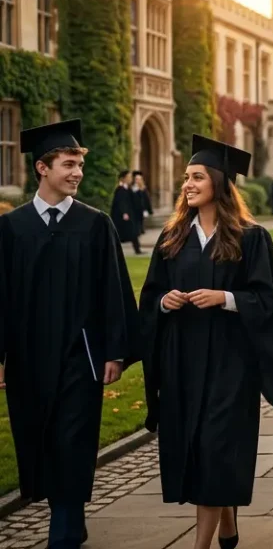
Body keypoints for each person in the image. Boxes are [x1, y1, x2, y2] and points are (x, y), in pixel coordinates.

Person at [138, 135, 273, 549]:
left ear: (218, 183)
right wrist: (164, 300)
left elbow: (268, 301)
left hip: (231, 365)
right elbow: (150, 296)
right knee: (199, 450)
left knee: (215, 446)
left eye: (196, 177)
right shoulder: (172, 237)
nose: (187, 185)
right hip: (183, 362)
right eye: (185, 178)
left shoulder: (250, 238)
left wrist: (225, 298)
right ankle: (227, 523)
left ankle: (201, 546)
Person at [0, 119, 137, 549]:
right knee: (37, 433)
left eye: (78, 164)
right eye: (68, 164)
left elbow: (114, 291)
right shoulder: (11, 228)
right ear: (42, 168)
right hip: (28, 357)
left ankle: (65, 525)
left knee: (74, 439)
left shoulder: (95, 225)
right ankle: (64, 515)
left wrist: (115, 350)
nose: (77, 172)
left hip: (82, 355)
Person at [112, 169, 142, 254]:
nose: (130, 179)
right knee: (118, 234)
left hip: (129, 214)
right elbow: (121, 202)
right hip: (122, 215)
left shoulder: (128, 189)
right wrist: (124, 212)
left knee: (133, 232)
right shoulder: (120, 189)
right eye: (128, 177)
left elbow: (133, 201)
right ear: (123, 178)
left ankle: (137, 250)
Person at [132, 170, 152, 237]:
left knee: (141, 220)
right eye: (136, 179)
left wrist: (147, 209)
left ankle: (141, 230)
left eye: (139, 179)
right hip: (134, 207)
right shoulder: (132, 188)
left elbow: (146, 199)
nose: (137, 180)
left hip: (142, 208)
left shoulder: (143, 188)